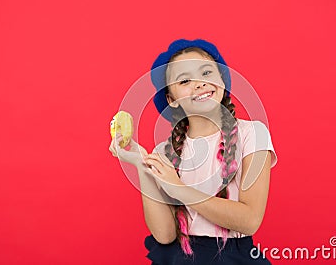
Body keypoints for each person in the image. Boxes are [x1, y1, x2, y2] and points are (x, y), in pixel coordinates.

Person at [109, 39, 278, 264]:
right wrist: (142, 165)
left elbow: (250, 220)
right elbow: (165, 234)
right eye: (185, 80)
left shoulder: (252, 134)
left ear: (222, 80)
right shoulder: (164, 153)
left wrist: (179, 189)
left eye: (207, 72)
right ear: (172, 100)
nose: (199, 83)